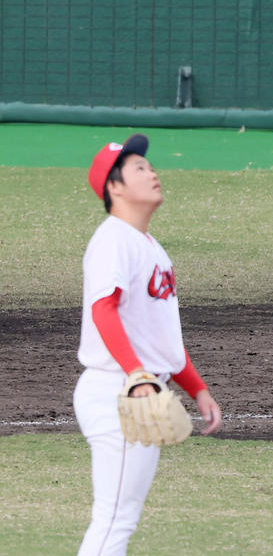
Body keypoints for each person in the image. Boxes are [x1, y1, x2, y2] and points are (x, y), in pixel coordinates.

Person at [76, 133, 222, 555]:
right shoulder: (113, 239)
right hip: (116, 390)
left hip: (135, 387)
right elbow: (104, 310)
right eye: (138, 168)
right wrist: (137, 375)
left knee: (121, 519)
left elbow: (158, 336)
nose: (152, 172)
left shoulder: (150, 247)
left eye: (150, 166)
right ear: (114, 188)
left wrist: (196, 387)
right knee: (113, 522)